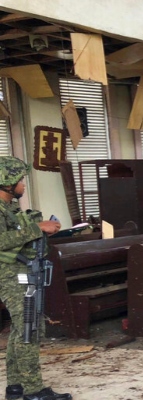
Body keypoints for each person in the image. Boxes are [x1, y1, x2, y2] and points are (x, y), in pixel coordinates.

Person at [0, 157, 70, 400]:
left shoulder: (9, 208)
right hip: (8, 275)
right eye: (20, 180)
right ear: (8, 182)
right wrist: (37, 228)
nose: (23, 185)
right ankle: (34, 391)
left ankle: (16, 385)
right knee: (29, 327)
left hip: (21, 271)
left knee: (22, 329)